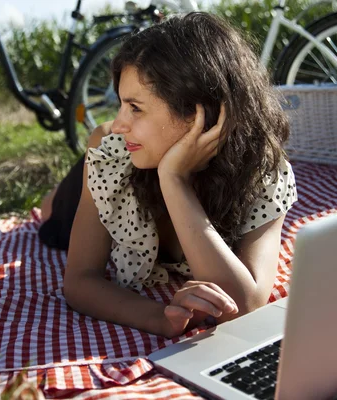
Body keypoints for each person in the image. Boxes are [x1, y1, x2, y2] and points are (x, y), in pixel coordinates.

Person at [39, 12, 298, 338]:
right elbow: (79, 281)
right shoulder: (111, 151)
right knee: (51, 216)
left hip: (149, 153)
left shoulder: (261, 171)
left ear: (198, 113)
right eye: (121, 104)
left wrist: (173, 180)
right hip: (114, 165)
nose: (120, 122)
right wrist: (158, 317)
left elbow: (245, 304)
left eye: (135, 108)